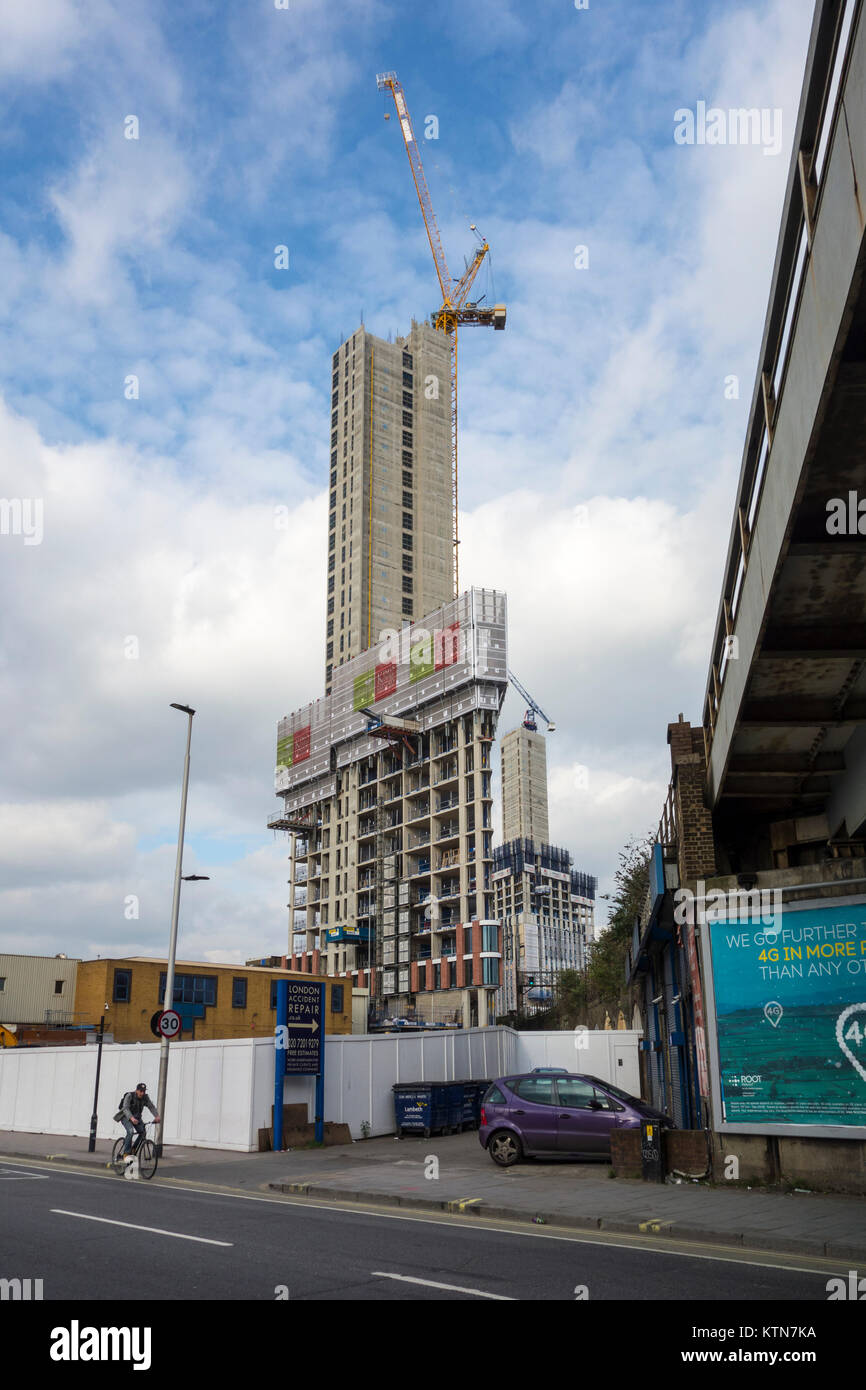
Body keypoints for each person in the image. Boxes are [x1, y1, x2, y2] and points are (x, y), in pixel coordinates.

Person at [120, 1083, 160, 1156]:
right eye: (141, 1091)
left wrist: (157, 1116)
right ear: (136, 1090)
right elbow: (125, 1108)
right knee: (130, 1131)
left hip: (137, 1118)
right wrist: (131, 1118)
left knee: (143, 1133)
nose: (142, 1093)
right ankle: (126, 1153)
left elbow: (151, 1106)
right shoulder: (129, 1096)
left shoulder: (145, 1097)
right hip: (126, 1117)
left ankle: (133, 1148)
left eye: (144, 1091)